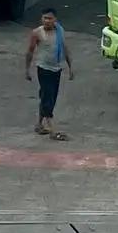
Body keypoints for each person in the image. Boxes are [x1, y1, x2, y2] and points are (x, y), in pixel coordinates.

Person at [25, 7, 74, 139]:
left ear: (55, 20)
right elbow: (30, 52)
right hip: (43, 69)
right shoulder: (37, 33)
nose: (47, 21)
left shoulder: (59, 31)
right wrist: (27, 70)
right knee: (48, 98)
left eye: (50, 18)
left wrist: (70, 68)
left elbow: (65, 48)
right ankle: (53, 130)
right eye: (44, 18)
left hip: (56, 69)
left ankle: (39, 125)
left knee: (49, 96)